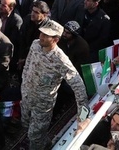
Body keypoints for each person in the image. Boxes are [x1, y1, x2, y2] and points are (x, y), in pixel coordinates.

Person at [21, 19, 88, 150]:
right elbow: (28, 64)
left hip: (42, 104)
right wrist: (24, 82)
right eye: (41, 33)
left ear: (56, 39)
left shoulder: (60, 59)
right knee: (26, 125)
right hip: (27, 96)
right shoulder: (35, 45)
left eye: (46, 35)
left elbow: (78, 85)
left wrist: (83, 114)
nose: (41, 37)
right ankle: (45, 143)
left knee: (35, 137)